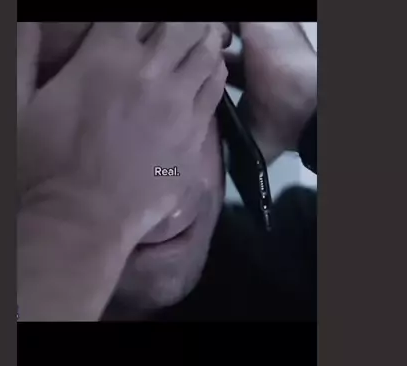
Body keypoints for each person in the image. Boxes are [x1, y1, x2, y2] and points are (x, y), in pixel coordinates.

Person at [17, 22, 317, 322]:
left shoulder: (299, 255)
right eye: (83, 113)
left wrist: (310, 110)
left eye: (174, 71)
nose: (160, 172)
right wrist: (69, 220)